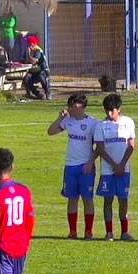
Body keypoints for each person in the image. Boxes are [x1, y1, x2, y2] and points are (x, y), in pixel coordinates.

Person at [46, 93, 97, 240]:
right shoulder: (68, 121)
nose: (69, 108)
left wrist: (90, 162)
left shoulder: (93, 123)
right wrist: (60, 118)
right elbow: (51, 131)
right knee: (72, 199)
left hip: (86, 167)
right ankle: (72, 231)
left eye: (72, 105)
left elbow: (99, 146)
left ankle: (88, 231)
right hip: (70, 166)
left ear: (80, 106)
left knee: (87, 199)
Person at [93, 93, 137, 242]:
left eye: (112, 110)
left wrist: (122, 165)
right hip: (108, 170)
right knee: (108, 200)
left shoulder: (128, 122)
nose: (109, 113)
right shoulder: (100, 125)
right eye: (107, 110)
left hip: (124, 169)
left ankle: (125, 232)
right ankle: (109, 232)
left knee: (123, 200)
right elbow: (100, 148)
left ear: (119, 109)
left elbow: (131, 146)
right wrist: (114, 165)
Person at [23, 34, 51, 100]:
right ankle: (37, 93)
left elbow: (34, 61)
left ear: (32, 44)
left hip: (43, 70)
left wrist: (29, 55)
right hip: (34, 71)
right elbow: (23, 60)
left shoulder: (37, 50)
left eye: (28, 43)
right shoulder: (28, 50)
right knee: (26, 79)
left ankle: (48, 92)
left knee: (41, 76)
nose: (27, 44)